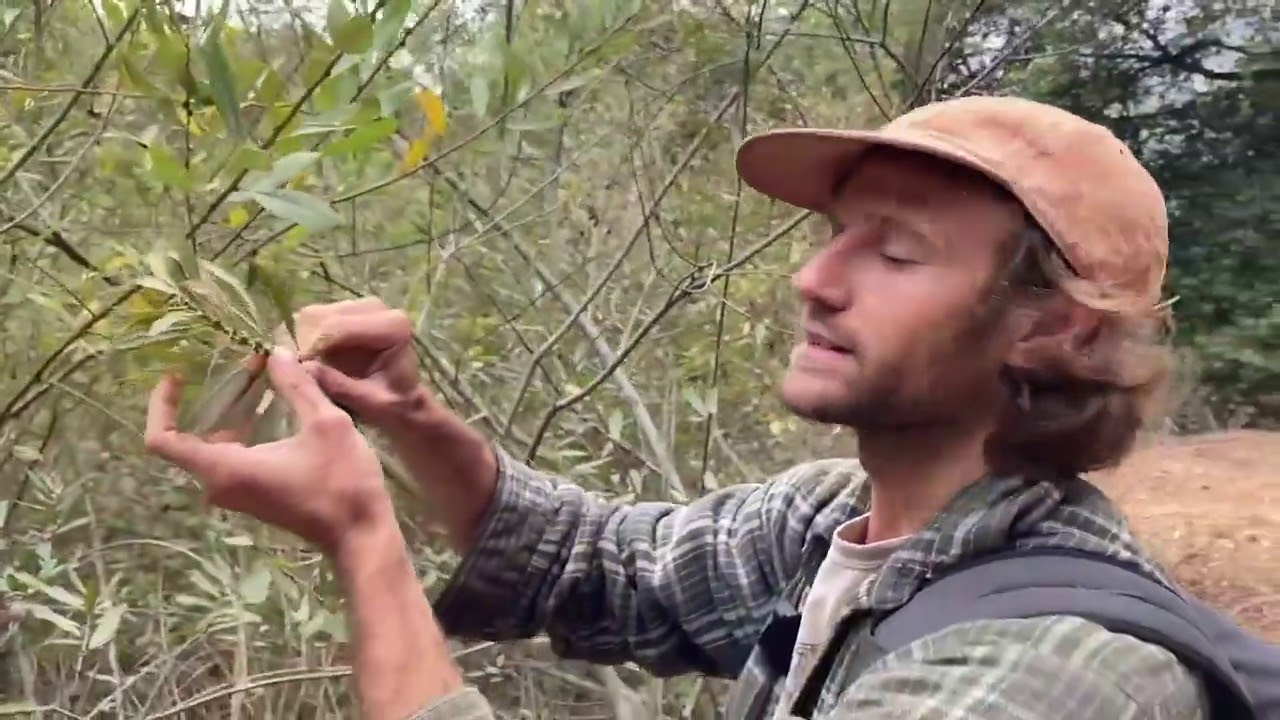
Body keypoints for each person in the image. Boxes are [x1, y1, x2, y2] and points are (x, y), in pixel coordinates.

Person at [145, 95, 1211, 719]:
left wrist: (362, 537)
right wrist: (410, 418)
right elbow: (595, 563)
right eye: (833, 235)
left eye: (894, 252)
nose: (814, 280)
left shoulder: (1045, 675)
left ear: (1056, 329)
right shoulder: (832, 523)